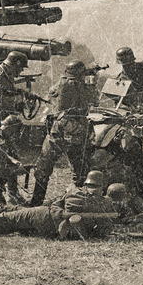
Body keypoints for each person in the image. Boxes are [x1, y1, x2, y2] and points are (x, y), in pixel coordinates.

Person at [0, 170, 119, 239]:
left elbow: (56, 203)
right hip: (53, 226)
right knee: (13, 214)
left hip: (46, 217)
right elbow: (103, 232)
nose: (91, 189)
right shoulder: (104, 205)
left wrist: (56, 210)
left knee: (9, 218)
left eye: (92, 186)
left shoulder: (75, 191)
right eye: (91, 186)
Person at [30, 60, 99, 207]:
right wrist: (92, 81)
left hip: (56, 130)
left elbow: (52, 94)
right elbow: (94, 100)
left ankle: (36, 203)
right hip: (74, 130)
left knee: (44, 167)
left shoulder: (62, 83)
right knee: (79, 170)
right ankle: (77, 202)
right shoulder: (78, 86)